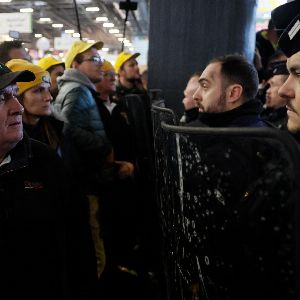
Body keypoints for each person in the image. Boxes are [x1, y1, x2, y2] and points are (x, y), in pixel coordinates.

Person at [53, 40, 133, 279]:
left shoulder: (82, 89)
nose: (99, 64)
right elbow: (66, 130)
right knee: (94, 249)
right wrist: (104, 145)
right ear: (76, 64)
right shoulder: (77, 90)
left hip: (89, 179)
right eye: (94, 60)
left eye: (100, 58)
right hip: (85, 181)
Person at [0, 62, 70, 298]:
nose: (17, 107)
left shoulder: (46, 161)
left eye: (14, 95)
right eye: (2, 98)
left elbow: (76, 248)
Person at [192, 54, 267, 127]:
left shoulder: (253, 138)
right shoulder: (207, 129)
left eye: (205, 85)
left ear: (233, 93)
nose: (195, 95)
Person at [6, 59, 63, 153]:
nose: (49, 97)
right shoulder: (10, 140)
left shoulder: (57, 128)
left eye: (48, 89)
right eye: (38, 90)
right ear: (17, 96)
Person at [262, 60, 289, 129]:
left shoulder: (289, 125)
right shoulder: (268, 114)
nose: (268, 91)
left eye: (273, 85)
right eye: (269, 86)